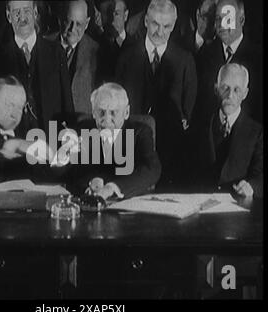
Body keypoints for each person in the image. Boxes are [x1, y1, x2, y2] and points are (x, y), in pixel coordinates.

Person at [116, 0, 197, 189]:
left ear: (174, 26)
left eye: (166, 26)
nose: (160, 32)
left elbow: (187, 114)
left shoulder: (185, 61)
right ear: (145, 21)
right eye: (155, 24)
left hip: (170, 159)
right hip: (131, 155)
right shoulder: (126, 58)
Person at [63, 83, 161, 200]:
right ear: (93, 112)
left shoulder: (140, 132)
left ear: (126, 113)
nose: (106, 120)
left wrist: (111, 188)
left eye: (113, 113)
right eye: (101, 112)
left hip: (126, 202)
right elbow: (69, 174)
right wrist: (88, 184)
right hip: (89, 203)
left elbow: (151, 169)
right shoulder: (83, 129)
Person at [0, 0, 74, 134]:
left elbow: (67, 104)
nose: (22, 17)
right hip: (17, 141)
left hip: (50, 140)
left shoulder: (56, 52)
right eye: (16, 12)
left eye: (26, 11)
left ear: (35, 13)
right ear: (8, 16)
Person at [196, 64, 263, 198]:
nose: (230, 95)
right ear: (216, 89)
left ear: (245, 94)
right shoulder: (198, 127)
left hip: (238, 209)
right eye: (225, 88)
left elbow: (260, 173)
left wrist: (251, 187)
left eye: (237, 90)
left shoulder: (257, 132)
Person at [195, 0, 262, 128]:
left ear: (241, 20)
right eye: (218, 19)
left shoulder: (258, 58)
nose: (221, 25)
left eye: (228, 19)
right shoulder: (203, 55)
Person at [47, 0, 99, 115]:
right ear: (60, 19)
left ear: (87, 23)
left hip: (82, 126)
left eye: (79, 24)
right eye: (68, 21)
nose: (72, 29)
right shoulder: (43, 45)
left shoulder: (96, 52)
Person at [97, 0, 135, 82]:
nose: (112, 20)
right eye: (107, 13)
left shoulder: (137, 47)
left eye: (116, 14)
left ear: (125, 15)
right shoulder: (94, 46)